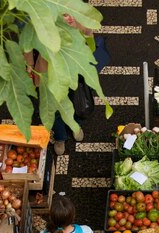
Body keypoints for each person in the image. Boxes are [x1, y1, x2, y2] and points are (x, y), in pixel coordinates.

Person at [25, 14, 94, 156]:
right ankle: (60, 137)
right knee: (54, 106)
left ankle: (75, 126)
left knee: (76, 100)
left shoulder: (73, 9)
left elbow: (88, 33)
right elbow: (27, 40)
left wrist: (75, 24)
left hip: (72, 69)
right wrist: (29, 63)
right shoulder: (39, 12)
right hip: (48, 70)